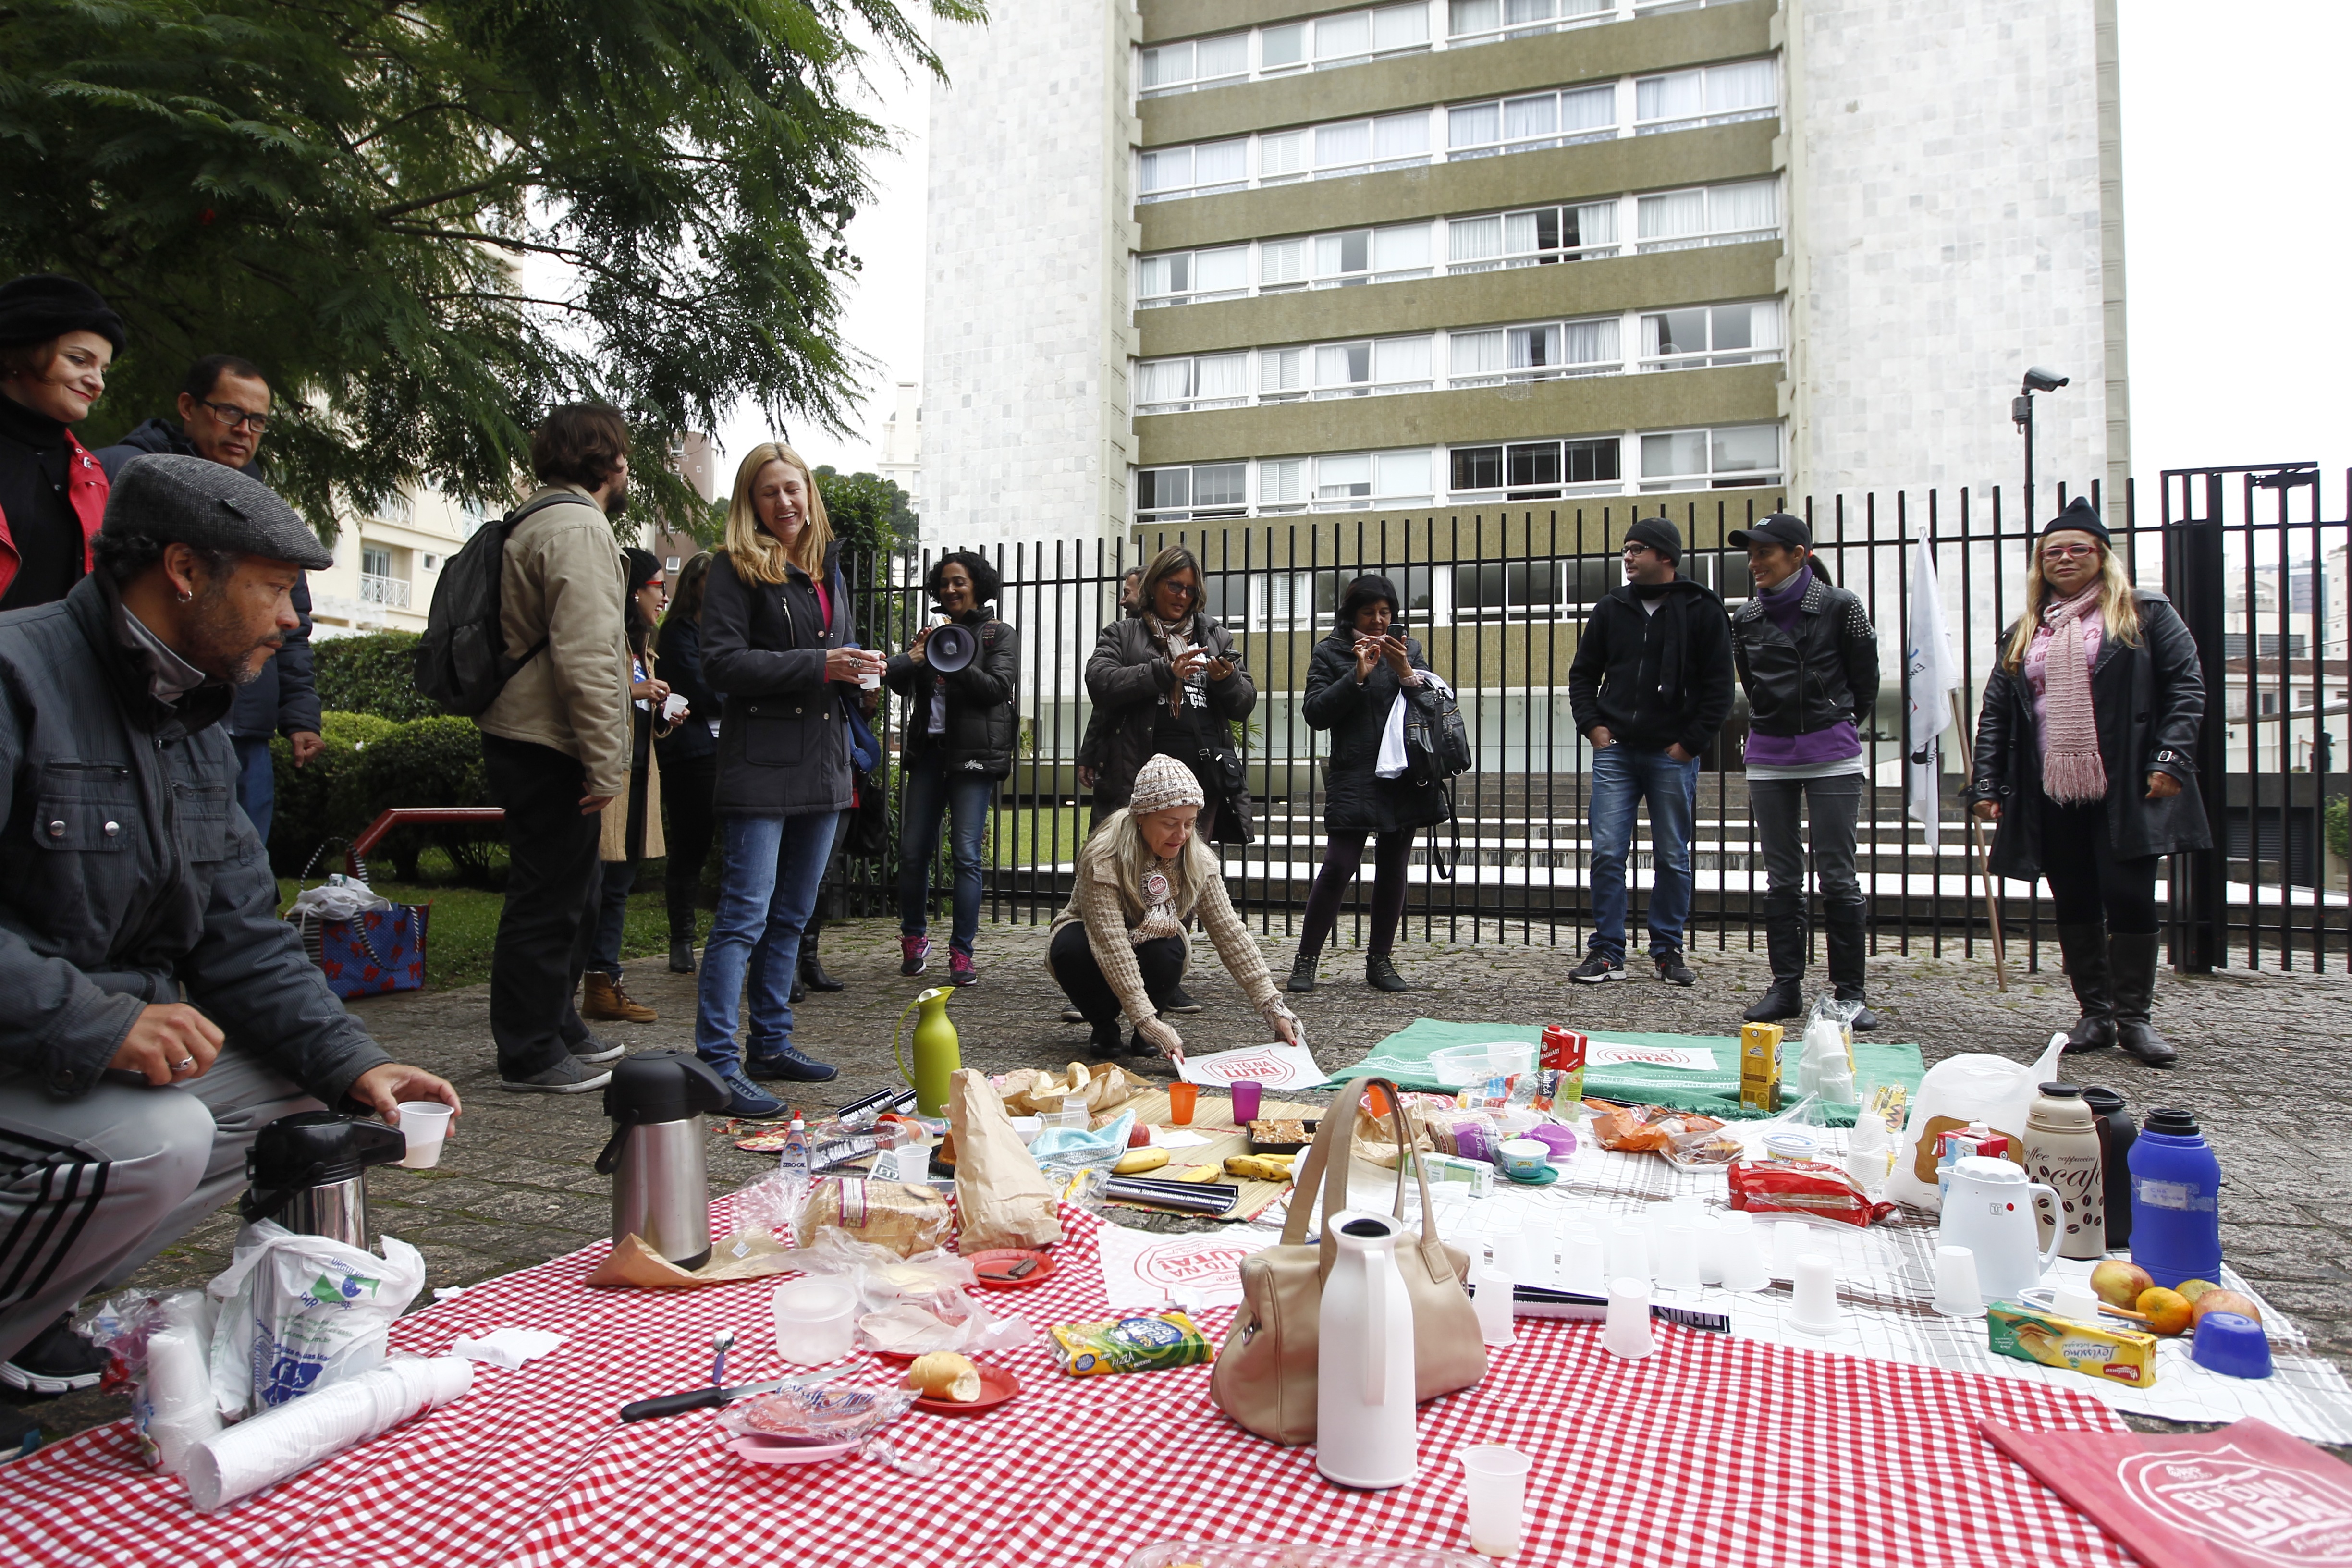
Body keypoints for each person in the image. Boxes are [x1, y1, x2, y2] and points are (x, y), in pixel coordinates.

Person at [0, 454, 458, 1404]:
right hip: (30, 1045)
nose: (294, 620)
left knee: (310, 1103)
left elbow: (241, 936)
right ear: (182, 570)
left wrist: (354, 1060)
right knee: (160, 1137)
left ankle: (31, 1314)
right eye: (276, 589)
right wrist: (100, 1024)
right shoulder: (17, 674)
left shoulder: (193, 717)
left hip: (67, 1053)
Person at [1969, 497, 2208, 1067]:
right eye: (2054, 551)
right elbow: (1997, 712)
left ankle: (2135, 1019)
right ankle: (2094, 1013)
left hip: (2125, 780)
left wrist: (2170, 760)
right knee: (2073, 895)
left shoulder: (2144, 614)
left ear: (2102, 556)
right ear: (2040, 563)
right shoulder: (2025, 630)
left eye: (2078, 548)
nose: (2066, 558)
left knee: (2126, 894)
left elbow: (2187, 688)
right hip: (2049, 784)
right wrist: (1986, 783)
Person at [694, 441, 884, 1114]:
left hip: (826, 764)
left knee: (793, 916)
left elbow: (836, 662)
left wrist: (864, 678)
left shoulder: (824, 570)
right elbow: (720, 665)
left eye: (795, 488)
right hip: (762, 768)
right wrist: (819, 665)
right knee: (743, 916)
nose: (787, 502)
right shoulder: (734, 568)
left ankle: (770, 1044)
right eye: (770, 492)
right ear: (752, 502)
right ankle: (716, 1062)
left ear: (811, 494)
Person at [98, 355, 322, 842]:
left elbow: (293, 618)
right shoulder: (124, 475)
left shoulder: (266, 508)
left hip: (245, 719)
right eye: (230, 413)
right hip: (149, 707)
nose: (244, 430)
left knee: (240, 861)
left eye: (258, 421)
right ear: (188, 406)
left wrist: (300, 714)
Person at [475, 404, 633, 1093]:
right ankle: (530, 1050)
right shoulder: (577, 525)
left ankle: (557, 1022)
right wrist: (606, 760)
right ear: (607, 462)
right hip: (548, 740)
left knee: (576, 891)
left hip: (532, 732)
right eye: (624, 454)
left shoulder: (539, 516)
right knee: (547, 897)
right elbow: (590, 654)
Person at [1727, 513, 1883, 1028]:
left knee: (1837, 875)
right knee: (1782, 877)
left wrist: (1831, 721)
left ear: (1799, 555)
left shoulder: (1842, 607)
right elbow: (1750, 681)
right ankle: (1786, 986)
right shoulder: (1745, 618)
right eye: (1751, 554)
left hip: (1832, 754)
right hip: (1769, 756)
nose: (1755, 564)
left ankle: (1849, 994)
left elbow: (1865, 680)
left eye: (1765, 553)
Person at [1566, 518, 1736, 988]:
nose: (1627, 557)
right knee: (1607, 853)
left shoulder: (1702, 609)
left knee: (1673, 856)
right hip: (1616, 750)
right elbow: (1583, 675)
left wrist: (1691, 742)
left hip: (1671, 753)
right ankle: (1607, 952)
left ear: (1665, 555)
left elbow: (1721, 688)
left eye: (1637, 549)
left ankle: (1667, 951)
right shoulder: (1611, 609)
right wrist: (1594, 727)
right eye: (1625, 548)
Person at [1048, 754, 1302, 1062]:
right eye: (1170, 824)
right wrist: (1145, 1020)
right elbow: (1110, 943)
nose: (1181, 835)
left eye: (1190, 824)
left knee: (1168, 949)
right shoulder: (1103, 858)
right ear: (1141, 816)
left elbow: (1230, 934)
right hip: (1093, 939)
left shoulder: (1198, 860)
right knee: (1070, 947)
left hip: (1152, 942)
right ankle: (1104, 1025)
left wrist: (1272, 1005)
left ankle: (1151, 1024)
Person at [1285, 574, 1451, 994]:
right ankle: (1306, 960)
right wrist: (1356, 676)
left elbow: (1433, 707)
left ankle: (1380, 961)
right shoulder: (1331, 652)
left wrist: (1406, 672)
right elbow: (1316, 713)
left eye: (1386, 612)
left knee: (1393, 867)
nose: (1378, 621)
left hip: (1403, 774)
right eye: (1369, 612)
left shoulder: (1409, 648)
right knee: (1340, 864)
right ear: (1351, 614)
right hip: (1355, 773)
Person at [886, 551, 1019, 985]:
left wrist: (957, 659)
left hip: (972, 759)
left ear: (977, 586)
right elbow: (899, 684)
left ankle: (962, 952)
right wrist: (917, 656)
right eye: (944, 583)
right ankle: (913, 937)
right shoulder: (931, 635)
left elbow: (998, 688)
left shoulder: (998, 634)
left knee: (965, 856)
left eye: (959, 582)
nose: (951, 590)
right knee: (912, 853)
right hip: (929, 753)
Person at [581, 549, 673, 1023]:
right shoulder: (605, 638)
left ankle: (604, 984)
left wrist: (664, 713)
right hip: (604, 780)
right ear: (634, 589)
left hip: (636, 780)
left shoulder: (643, 647)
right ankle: (571, 986)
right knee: (589, 887)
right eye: (658, 586)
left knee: (617, 886)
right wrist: (634, 692)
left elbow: (637, 718)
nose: (664, 596)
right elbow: (582, 691)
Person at [0, 274, 119, 612]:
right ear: (20, 353)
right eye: (80, 360)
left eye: (104, 370)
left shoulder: (92, 475)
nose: (97, 383)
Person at [654, 551, 719, 974]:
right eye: (708, 580)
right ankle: (682, 939)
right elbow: (702, 689)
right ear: (693, 584)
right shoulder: (678, 631)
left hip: (727, 751)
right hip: (692, 755)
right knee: (691, 846)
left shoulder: (724, 629)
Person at [1075, 565, 1146, 805]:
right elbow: (1104, 700)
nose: (1122, 601)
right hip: (1117, 759)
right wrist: (1089, 753)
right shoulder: (1120, 635)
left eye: (1128, 593)